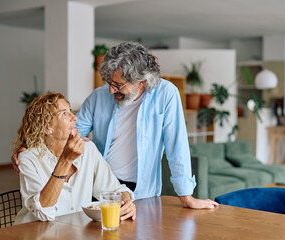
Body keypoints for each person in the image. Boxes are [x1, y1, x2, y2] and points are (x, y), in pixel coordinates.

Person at [12, 42, 218, 209]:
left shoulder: (166, 95)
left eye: (118, 85)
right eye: (109, 82)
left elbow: (177, 146)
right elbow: (70, 133)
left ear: (141, 81)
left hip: (142, 190)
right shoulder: (98, 97)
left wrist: (187, 197)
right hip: (100, 187)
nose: (110, 91)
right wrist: (28, 146)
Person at [12, 92, 136, 224]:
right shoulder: (28, 158)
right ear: (47, 127)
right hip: (34, 233)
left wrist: (126, 202)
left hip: (74, 232)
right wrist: (66, 160)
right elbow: (43, 212)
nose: (74, 117)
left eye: (70, 110)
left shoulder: (88, 149)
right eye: (64, 113)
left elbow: (114, 190)